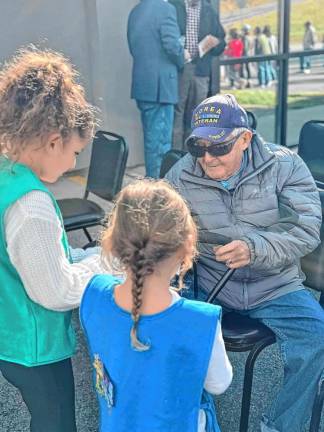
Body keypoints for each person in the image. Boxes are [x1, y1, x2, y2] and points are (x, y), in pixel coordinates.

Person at [166, 93, 324, 432]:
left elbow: (306, 230)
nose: (207, 158)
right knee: (171, 336)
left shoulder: (284, 165)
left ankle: (281, 426)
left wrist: (254, 248)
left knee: (318, 338)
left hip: (275, 286)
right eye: (198, 148)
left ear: (245, 138)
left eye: (219, 148)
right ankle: (194, 423)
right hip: (210, 285)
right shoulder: (180, 176)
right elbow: (159, 227)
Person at [0, 47, 109, 432]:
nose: (73, 164)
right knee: (56, 421)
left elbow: (31, 261)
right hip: (34, 345)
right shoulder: (31, 204)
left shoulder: (6, 172)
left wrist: (85, 255)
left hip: (9, 329)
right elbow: (56, 291)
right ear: (52, 140)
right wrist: (106, 261)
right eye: (75, 152)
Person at [80, 179, 233, 432]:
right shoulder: (199, 321)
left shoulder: (94, 294)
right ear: (186, 248)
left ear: (114, 242)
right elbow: (219, 383)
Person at [127, 0, 184, 178]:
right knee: (160, 145)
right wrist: (183, 57)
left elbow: (133, 46)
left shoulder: (136, 11)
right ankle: (157, 191)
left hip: (144, 85)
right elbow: (172, 46)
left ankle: (152, 185)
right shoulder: (166, 9)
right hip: (161, 88)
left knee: (152, 142)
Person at [170, 0, 226, 151]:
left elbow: (221, 41)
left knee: (196, 114)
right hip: (180, 69)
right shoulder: (174, 7)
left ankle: (190, 155)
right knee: (177, 112)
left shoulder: (209, 10)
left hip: (201, 70)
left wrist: (216, 43)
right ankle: (175, 156)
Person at [240, 24, 254, 88]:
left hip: (244, 55)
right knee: (248, 69)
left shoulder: (244, 38)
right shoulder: (251, 37)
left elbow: (244, 47)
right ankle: (249, 82)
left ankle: (244, 83)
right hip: (249, 54)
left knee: (242, 69)